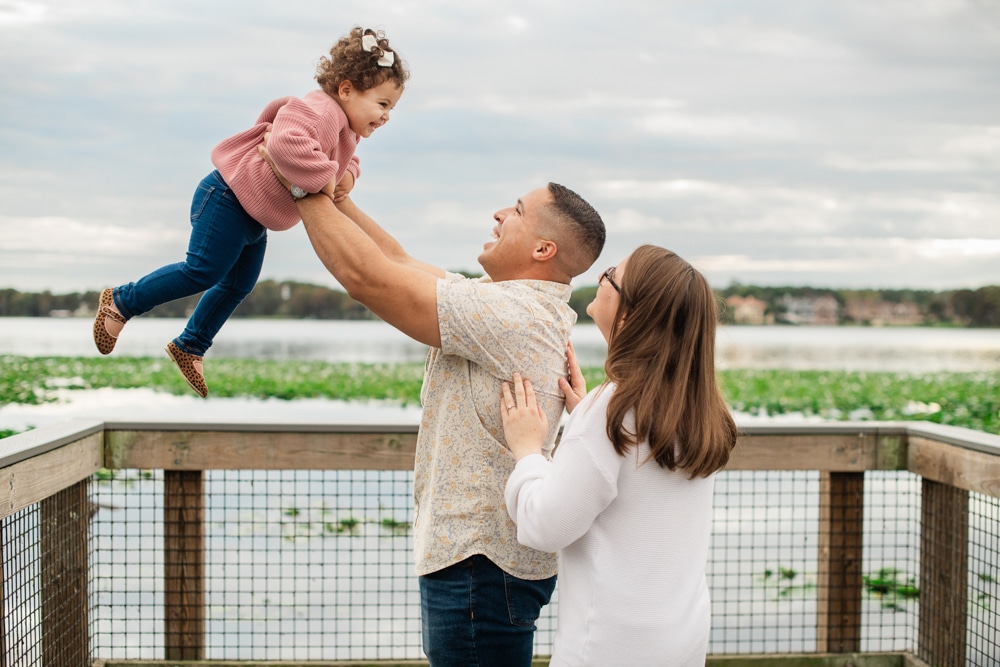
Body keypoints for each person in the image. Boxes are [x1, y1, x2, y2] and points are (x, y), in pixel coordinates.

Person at [259, 141, 606, 665]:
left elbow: (368, 279)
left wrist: (301, 185)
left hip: (482, 568)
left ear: (543, 250)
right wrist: (340, 201)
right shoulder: (502, 304)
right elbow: (394, 260)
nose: (497, 214)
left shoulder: (516, 316)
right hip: (475, 565)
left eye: (515, 210)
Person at [91, 26, 408, 397]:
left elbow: (347, 161)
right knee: (202, 270)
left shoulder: (345, 130)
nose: (387, 116)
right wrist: (326, 179)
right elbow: (286, 144)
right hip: (226, 197)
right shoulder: (320, 111)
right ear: (346, 89)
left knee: (239, 284)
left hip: (252, 215)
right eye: (382, 104)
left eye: (392, 108)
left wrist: (347, 178)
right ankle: (121, 302)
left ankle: (190, 344)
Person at [500, 245, 739, 667]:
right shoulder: (698, 409)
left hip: (608, 649)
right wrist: (582, 421)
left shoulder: (611, 410)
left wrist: (527, 450)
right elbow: (639, 479)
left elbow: (544, 526)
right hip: (679, 642)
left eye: (610, 274)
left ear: (631, 314)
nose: (598, 278)